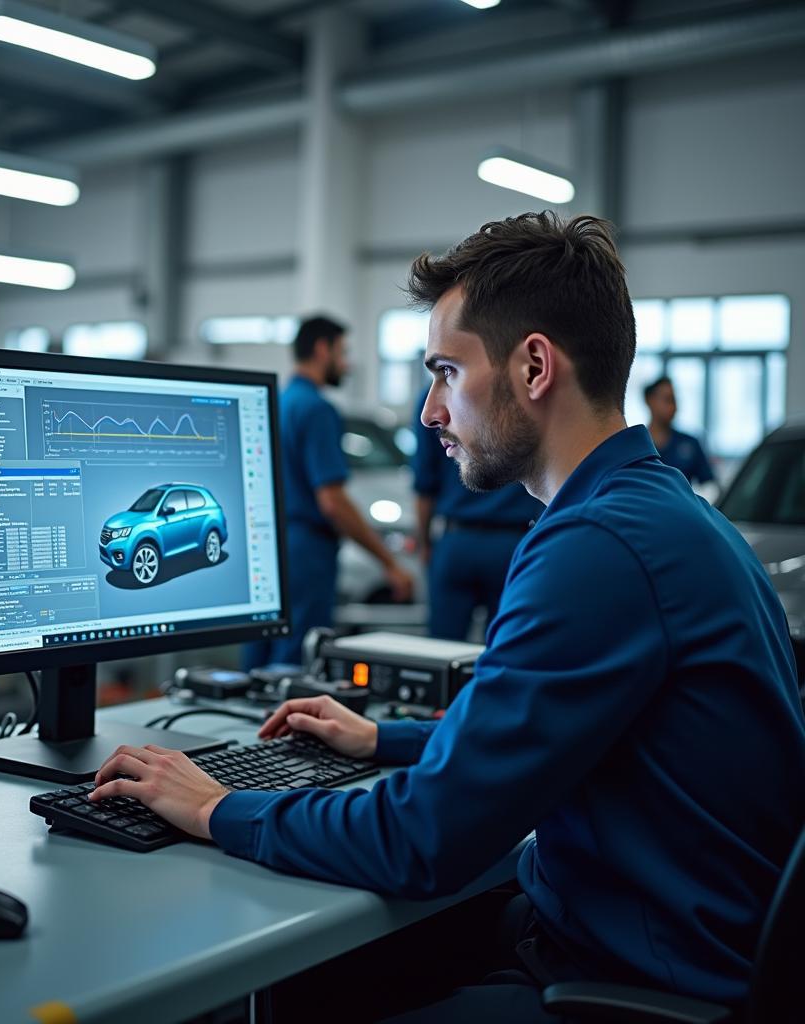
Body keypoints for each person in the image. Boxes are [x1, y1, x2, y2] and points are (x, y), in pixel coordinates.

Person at [89, 214, 805, 1022]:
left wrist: (216, 806)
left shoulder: (598, 548)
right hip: (639, 938)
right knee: (320, 979)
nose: (431, 413)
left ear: (535, 366)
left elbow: (423, 839)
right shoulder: (663, 513)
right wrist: (383, 738)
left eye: (444, 372)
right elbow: (567, 731)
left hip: (642, 983)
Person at [242, 315, 413, 669]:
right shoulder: (318, 409)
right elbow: (332, 501)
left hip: (268, 546)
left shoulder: (280, 402)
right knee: (297, 657)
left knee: (260, 656)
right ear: (323, 350)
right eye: (343, 352)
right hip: (307, 552)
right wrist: (389, 563)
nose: (347, 363)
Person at [413, 387, 544, 641]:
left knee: (442, 649)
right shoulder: (522, 394)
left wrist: (425, 543)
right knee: (507, 646)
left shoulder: (432, 400)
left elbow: (424, 484)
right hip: (512, 543)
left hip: (456, 540)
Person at [644, 375, 715, 486]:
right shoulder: (637, 445)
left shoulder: (690, 443)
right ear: (649, 401)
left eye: (674, 401)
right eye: (668, 400)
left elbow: (709, 485)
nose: (674, 407)